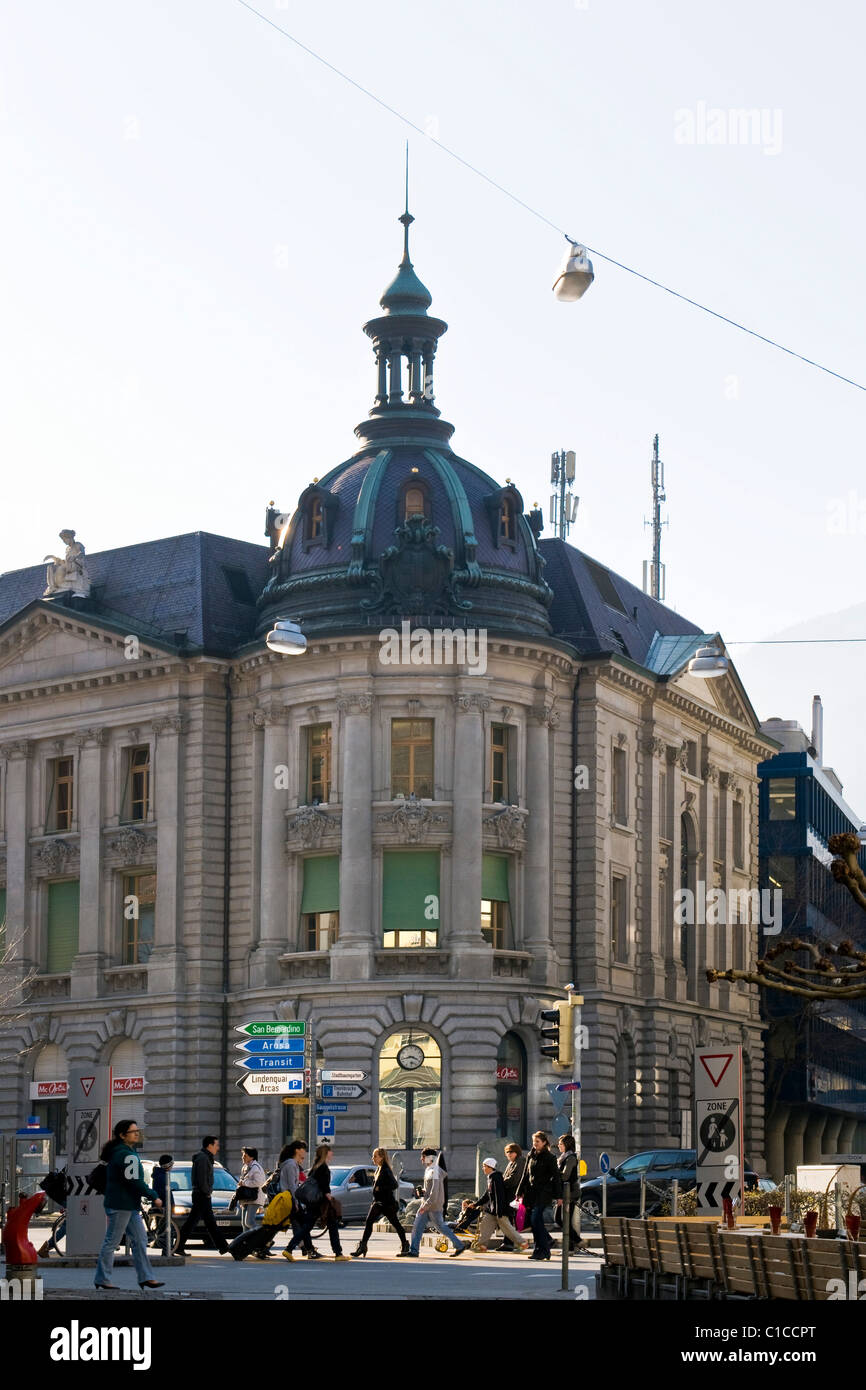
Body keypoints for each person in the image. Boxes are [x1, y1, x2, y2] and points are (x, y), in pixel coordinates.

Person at [94, 1119, 164, 1290]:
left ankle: (146, 1277)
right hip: (121, 1205)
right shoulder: (126, 1155)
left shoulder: (122, 1152)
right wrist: (154, 1196)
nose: (137, 1133)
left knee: (140, 1241)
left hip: (128, 1205)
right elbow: (134, 1181)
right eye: (133, 1131)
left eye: (137, 1130)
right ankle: (102, 1279)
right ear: (123, 1135)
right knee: (111, 1242)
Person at [175, 1135, 230, 1256]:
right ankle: (223, 1247)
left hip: (202, 1194)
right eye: (216, 1145)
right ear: (209, 1145)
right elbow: (201, 1178)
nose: (218, 1148)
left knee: (206, 1222)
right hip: (201, 1195)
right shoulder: (203, 1158)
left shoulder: (205, 1157)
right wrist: (207, 1192)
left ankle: (223, 1247)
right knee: (194, 1222)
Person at [405, 1149, 466, 1258]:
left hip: (432, 1205)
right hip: (430, 1204)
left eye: (423, 1157)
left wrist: (425, 1206)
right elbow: (431, 1189)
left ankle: (459, 1245)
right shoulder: (429, 1169)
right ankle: (414, 1250)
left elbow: (435, 1192)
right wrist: (423, 1191)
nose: (421, 1159)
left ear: (429, 1158)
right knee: (421, 1226)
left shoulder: (436, 1171)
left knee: (439, 1227)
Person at [351, 1148, 410, 1257]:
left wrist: (379, 1188)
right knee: (369, 1222)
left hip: (387, 1203)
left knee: (395, 1223)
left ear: (382, 1157)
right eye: (373, 1156)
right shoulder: (379, 1168)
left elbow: (394, 1185)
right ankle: (363, 1246)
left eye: (375, 1156)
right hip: (378, 1202)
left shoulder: (386, 1169)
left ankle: (405, 1245)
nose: (373, 1158)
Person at [517, 1131, 561, 1261]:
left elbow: (557, 1178)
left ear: (544, 1143)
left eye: (537, 1142)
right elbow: (525, 1174)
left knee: (536, 1219)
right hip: (531, 1193)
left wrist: (559, 1196)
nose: (535, 1144)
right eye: (533, 1142)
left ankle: (544, 1248)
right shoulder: (531, 1155)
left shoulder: (550, 1157)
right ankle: (541, 1250)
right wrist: (519, 1191)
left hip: (543, 1193)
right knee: (534, 1222)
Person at [472, 1158, 530, 1253]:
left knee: (507, 1228)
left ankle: (522, 1243)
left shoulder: (496, 1178)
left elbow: (499, 1195)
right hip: (493, 1209)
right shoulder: (491, 1177)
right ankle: (481, 1245)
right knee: (485, 1225)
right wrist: (476, 1204)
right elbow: (487, 1194)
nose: (483, 1168)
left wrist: (499, 1211)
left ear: (490, 1167)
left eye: (484, 1166)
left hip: (499, 1209)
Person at [304, 1144, 347, 1261]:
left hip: (313, 1201)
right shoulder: (323, 1168)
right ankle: (338, 1253)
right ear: (326, 1153)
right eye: (330, 1151)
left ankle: (306, 1249)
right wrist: (331, 1199)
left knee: (307, 1227)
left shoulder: (315, 1167)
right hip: (321, 1203)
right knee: (331, 1226)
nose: (332, 1153)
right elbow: (324, 1187)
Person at [279, 1140, 318, 1260]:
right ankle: (294, 1249)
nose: (305, 1152)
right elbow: (292, 1186)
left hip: (289, 1198)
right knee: (304, 1225)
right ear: (297, 1150)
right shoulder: (291, 1164)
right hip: (290, 1199)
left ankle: (306, 1249)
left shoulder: (291, 1164)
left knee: (300, 1225)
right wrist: (296, 1202)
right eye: (303, 1149)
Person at [556, 1133, 581, 1249]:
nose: (558, 1146)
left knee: (563, 1220)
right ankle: (573, 1243)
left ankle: (575, 1242)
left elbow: (565, 1176)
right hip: (563, 1192)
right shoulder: (563, 1157)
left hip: (570, 1193)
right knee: (560, 1219)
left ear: (567, 1145)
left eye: (561, 1144)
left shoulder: (570, 1158)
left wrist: (553, 1174)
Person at [236, 1147, 267, 1237]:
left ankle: (262, 1238)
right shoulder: (245, 1167)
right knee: (244, 1224)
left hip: (255, 1198)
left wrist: (244, 1183)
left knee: (249, 1222)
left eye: (245, 1155)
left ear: (252, 1157)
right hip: (246, 1198)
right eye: (243, 1155)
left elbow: (259, 1182)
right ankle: (247, 1244)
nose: (243, 1157)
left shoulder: (256, 1167)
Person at [499, 1142, 525, 1250]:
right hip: (509, 1194)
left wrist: (501, 1182)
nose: (509, 1154)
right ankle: (508, 1242)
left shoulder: (520, 1161)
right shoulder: (511, 1163)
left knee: (510, 1219)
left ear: (517, 1152)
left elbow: (514, 1179)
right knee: (508, 1219)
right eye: (507, 1152)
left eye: (511, 1152)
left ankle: (509, 1243)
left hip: (515, 1194)